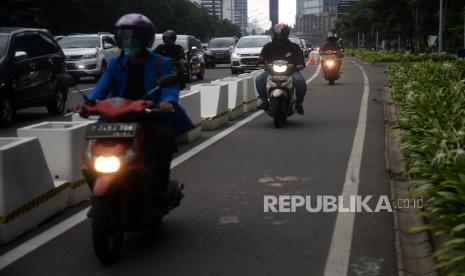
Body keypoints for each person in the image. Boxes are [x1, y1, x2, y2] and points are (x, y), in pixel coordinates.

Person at [73, 13, 193, 193]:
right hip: (117, 117)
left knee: (164, 141)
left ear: (145, 39)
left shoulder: (162, 64)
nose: (129, 41)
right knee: (92, 150)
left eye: (134, 37)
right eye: (124, 36)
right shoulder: (115, 64)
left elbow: (170, 89)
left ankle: (159, 189)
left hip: (148, 116)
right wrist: (87, 104)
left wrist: (167, 102)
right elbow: (101, 88)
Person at [255, 23, 307, 115]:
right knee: (259, 80)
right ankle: (265, 101)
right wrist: (260, 63)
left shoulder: (294, 47)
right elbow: (261, 58)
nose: (279, 35)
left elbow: (300, 60)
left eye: (281, 33)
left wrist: (300, 65)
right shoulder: (268, 46)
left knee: (300, 81)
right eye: (278, 33)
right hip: (271, 72)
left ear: (286, 34)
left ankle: (299, 103)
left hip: (290, 72)